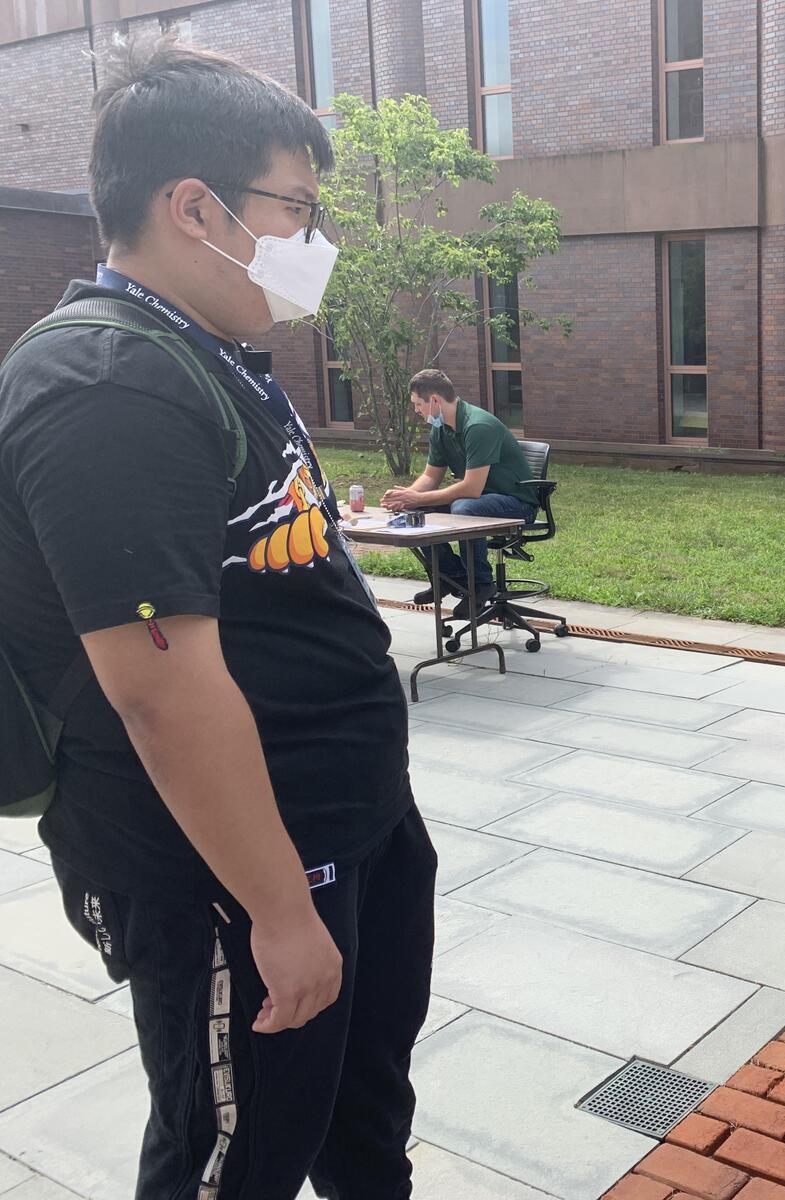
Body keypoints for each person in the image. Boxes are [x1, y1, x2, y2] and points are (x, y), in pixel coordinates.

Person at [0, 37, 432, 1199]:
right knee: (236, 1158)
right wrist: (278, 913)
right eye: (298, 207)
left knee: (362, 1120)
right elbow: (159, 686)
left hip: (350, 824)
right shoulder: (103, 384)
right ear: (193, 207)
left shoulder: (212, 350)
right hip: (233, 880)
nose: (315, 239)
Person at [381, 368, 543, 616]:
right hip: (478, 501)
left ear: (435, 400)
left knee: (464, 508)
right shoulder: (440, 427)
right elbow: (430, 476)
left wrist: (418, 497)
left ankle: (479, 585)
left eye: (418, 404)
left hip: (516, 503)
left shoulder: (478, 426)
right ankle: (449, 577)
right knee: (417, 509)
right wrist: (406, 498)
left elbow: (471, 488)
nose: (416, 411)